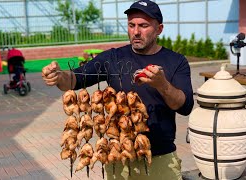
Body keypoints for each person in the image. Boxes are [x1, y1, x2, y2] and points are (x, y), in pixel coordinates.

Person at [42, 0, 194, 179]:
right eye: (131, 25)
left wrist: (163, 85)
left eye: (143, 26)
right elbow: (75, 79)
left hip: (160, 160)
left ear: (159, 29)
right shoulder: (112, 58)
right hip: (119, 158)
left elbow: (185, 106)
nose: (136, 31)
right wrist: (59, 76)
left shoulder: (176, 61)